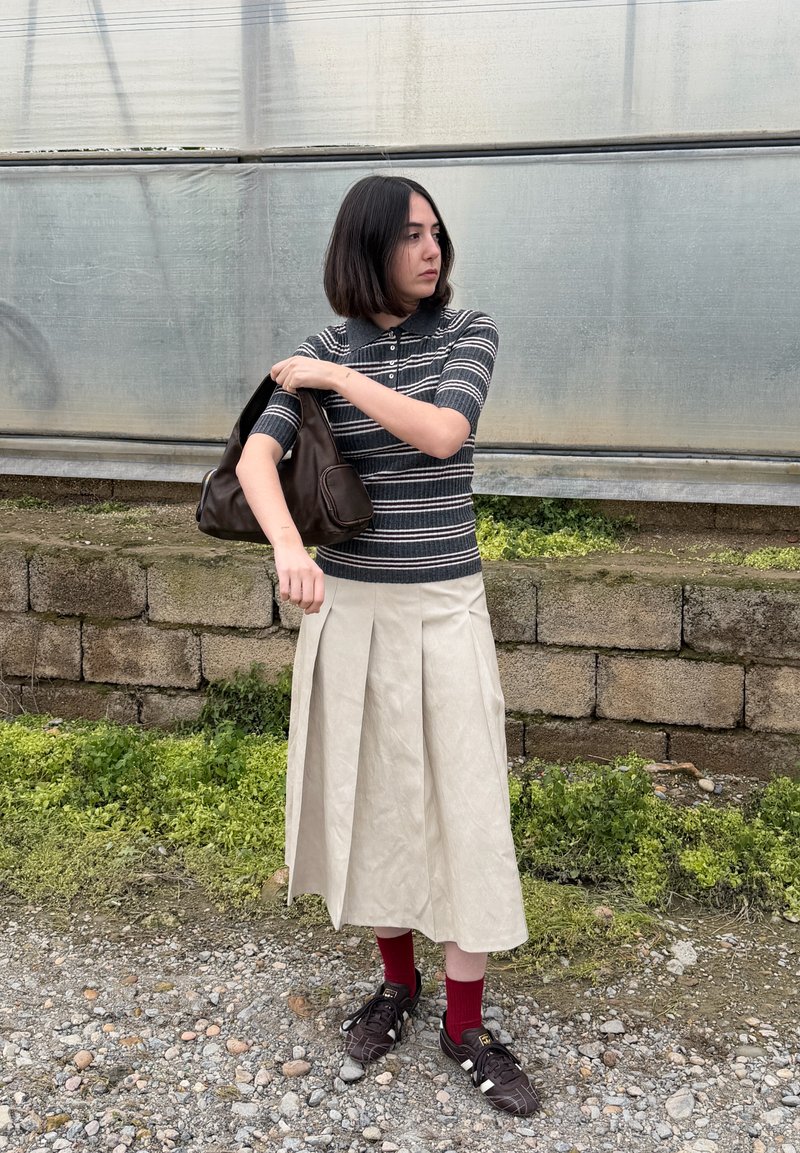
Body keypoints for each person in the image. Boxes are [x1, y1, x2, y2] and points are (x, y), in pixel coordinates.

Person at [236, 174, 540, 1116]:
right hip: (352, 613)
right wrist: (290, 547)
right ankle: (397, 986)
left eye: (437, 233)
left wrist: (336, 380)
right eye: (411, 235)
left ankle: (464, 1022)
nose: (431, 249)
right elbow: (255, 456)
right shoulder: (323, 348)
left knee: (465, 803)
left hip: (445, 607)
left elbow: (444, 433)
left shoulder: (466, 334)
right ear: (365, 245)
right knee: (368, 802)